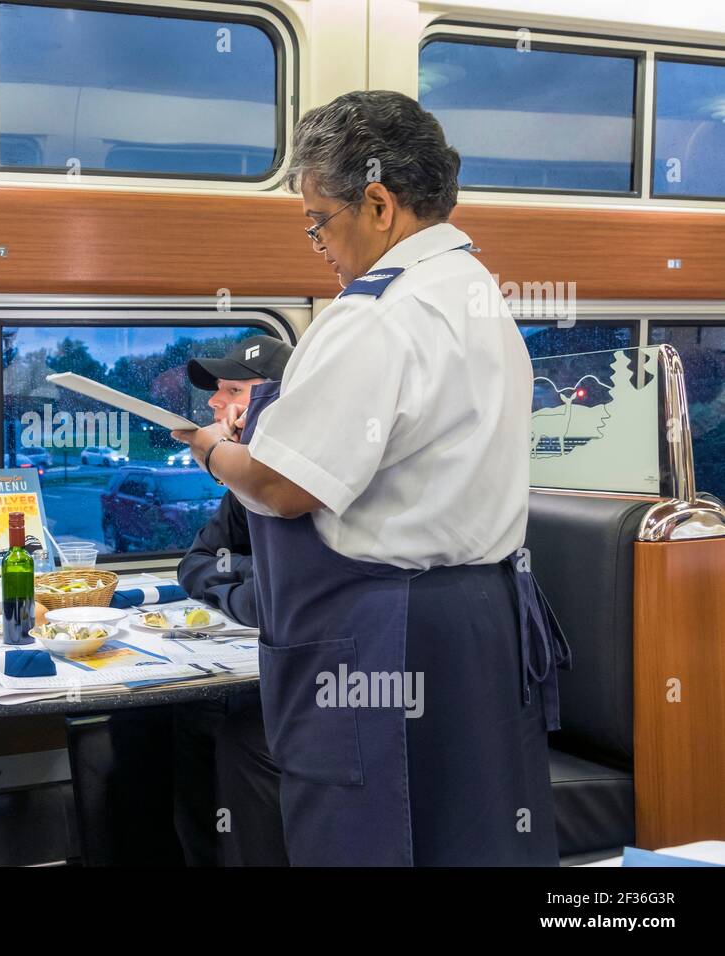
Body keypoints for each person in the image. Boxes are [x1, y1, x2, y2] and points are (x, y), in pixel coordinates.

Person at [171, 90, 569, 866]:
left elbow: (286, 487)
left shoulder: (376, 315)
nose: (317, 242)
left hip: (387, 634)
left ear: (379, 203)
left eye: (319, 220)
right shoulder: (477, 292)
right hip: (485, 617)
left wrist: (212, 448)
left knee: (371, 836)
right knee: (472, 840)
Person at [171, 334, 290, 866]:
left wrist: (244, 581)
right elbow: (195, 564)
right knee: (167, 721)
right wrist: (246, 574)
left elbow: (285, 594)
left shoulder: (292, 480)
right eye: (216, 391)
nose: (216, 405)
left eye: (233, 390)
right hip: (274, 664)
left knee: (239, 733)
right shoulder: (246, 482)